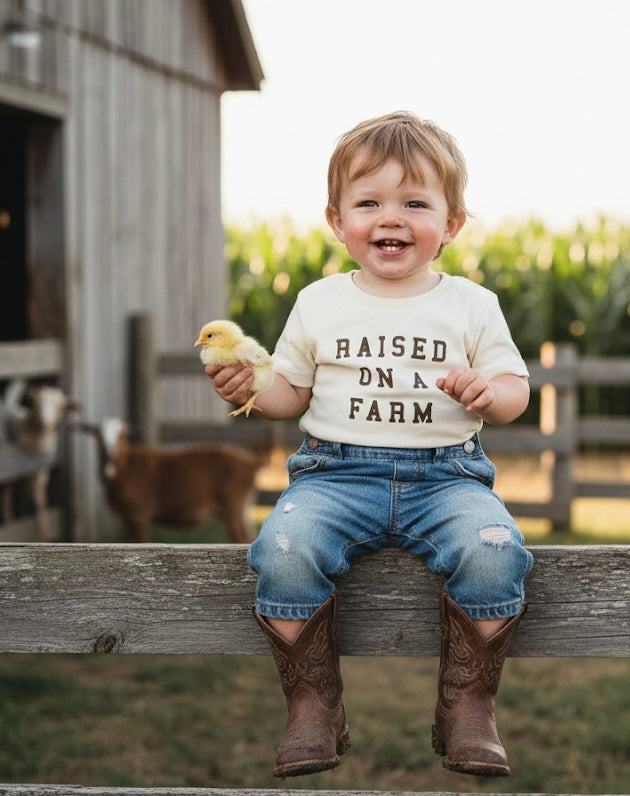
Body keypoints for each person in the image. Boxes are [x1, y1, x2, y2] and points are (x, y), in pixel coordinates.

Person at [203, 111, 534, 779]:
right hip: (334, 477)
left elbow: (515, 390)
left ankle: (468, 705)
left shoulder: (471, 304)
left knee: (495, 552)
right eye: (370, 202)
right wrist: (246, 388)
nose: (393, 217)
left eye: (415, 202)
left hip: (448, 480)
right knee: (283, 551)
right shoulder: (319, 302)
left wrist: (486, 392)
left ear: (452, 224)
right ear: (337, 220)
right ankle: (313, 703)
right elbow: (290, 394)